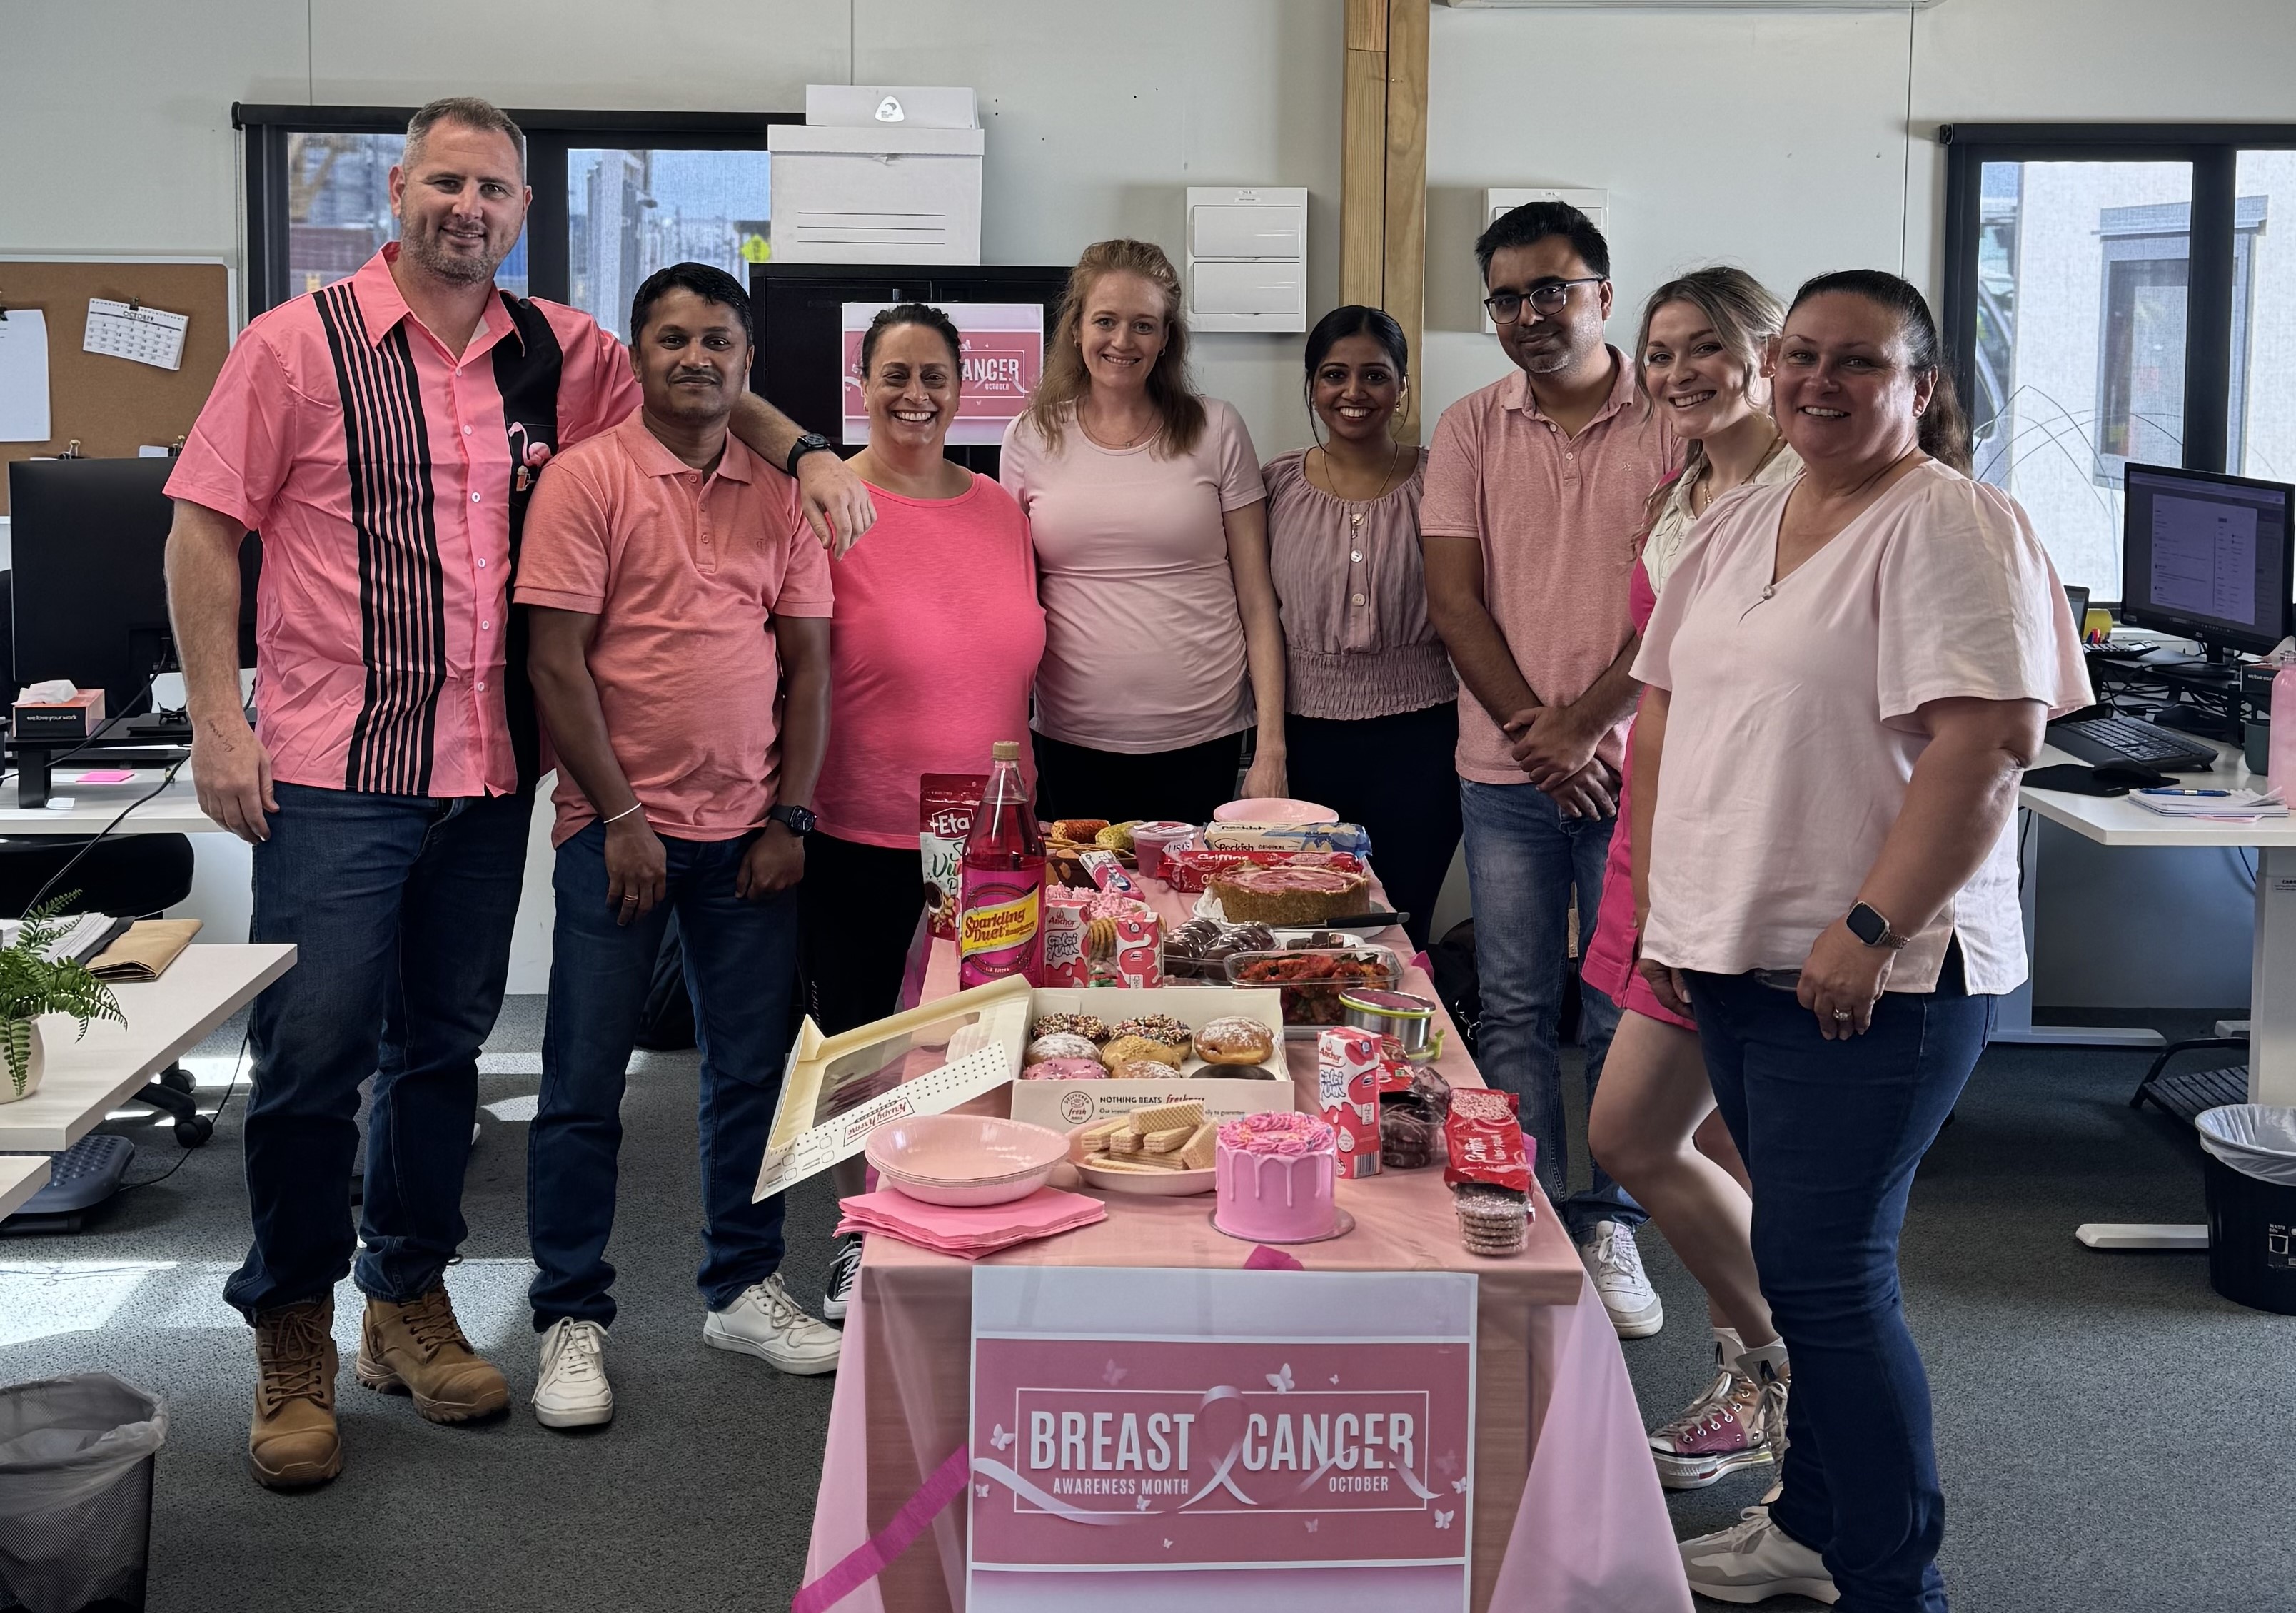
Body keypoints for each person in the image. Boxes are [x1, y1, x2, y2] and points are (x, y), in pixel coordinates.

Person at [161, 97, 872, 1490]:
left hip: (487, 767)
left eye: (492, 188)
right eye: (445, 182)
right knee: (313, 1057)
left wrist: (805, 452)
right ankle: (292, 1330)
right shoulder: (296, 345)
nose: (467, 207)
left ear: (522, 210)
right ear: (397, 191)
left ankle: (405, 1295)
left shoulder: (562, 350)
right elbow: (202, 526)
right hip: (337, 764)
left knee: (442, 1048)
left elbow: (705, 385)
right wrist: (214, 721)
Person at [1635, 271, 2087, 1610]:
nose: (1819, 383)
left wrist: (1871, 926)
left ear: (1921, 387)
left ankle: (1896, 1586)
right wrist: (1669, 906)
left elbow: (1990, 741)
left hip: (1874, 977)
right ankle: (1812, 1533)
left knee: (1828, 1279)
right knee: (1797, 1264)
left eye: (1859, 363)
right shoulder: (1746, 515)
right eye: (1801, 357)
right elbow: (1663, 711)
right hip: (1735, 952)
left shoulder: (1950, 523)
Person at [518, 263, 842, 1430]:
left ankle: (742, 1288)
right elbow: (555, 662)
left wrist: (790, 817)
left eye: (717, 341)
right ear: (638, 356)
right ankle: (570, 1315)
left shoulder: (782, 495)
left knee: (752, 1078)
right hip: (615, 837)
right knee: (582, 1086)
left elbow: (809, 668)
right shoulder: (586, 478)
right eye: (672, 339)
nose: (696, 358)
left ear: (746, 362)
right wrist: (621, 818)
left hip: (749, 839)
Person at [1420, 200, 1678, 1334]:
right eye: (1507, 298)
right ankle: (1521, 1211)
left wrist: (1590, 727)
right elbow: (1453, 600)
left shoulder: (1673, 421)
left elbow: (1687, 600)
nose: (1529, 314)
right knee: (1517, 1005)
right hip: (1504, 771)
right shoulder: (1471, 427)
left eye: (1552, 290)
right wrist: (1543, 733)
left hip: (1643, 770)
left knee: (1625, 1012)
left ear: (1604, 296)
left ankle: (1612, 1226)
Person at [1581, 268, 1800, 1487]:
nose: (1677, 374)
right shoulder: (1685, 490)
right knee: (1686, 1133)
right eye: (1659, 354)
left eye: (1704, 348)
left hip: (1739, 849)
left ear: (1765, 350)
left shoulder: (1805, 496)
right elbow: (1657, 679)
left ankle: (1785, 1366)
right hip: (1658, 841)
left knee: (1647, 1132)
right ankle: (1760, 1376)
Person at [800, 303, 1045, 1320]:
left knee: (977, 1043)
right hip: (860, 823)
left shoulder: (1000, 510)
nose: (915, 395)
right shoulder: (828, 503)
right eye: (894, 375)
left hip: (990, 837)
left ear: (962, 388)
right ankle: (862, 1233)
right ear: (861, 385)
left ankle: (968, 1218)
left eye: (934, 376)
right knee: (863, 1048)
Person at [1001, 238, 1284, 824]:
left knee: (1191, 889)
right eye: (1105, 320)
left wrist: (1271, 748)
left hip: (1203, 735)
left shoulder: (1217, 428)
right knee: (1084, 888)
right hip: (1070, 738)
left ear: (1166, 338)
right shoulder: (1030, 436)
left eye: (1143, 325)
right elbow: (1011, 601)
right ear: (1076, 329)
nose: (1122, 341)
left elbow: (1258, 599)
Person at [1262, 305, 1459, 952]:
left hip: (1423, 743)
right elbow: (1254, 616)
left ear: (1402, 386)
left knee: (1400, 930)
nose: (1354, 392)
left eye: (1375, 375)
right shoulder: (1275, 486)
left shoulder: (1443, 479)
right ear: (1312, 385)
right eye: (1334, 374)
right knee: (1299, 932)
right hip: (1303, 742)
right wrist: (1267, 751)